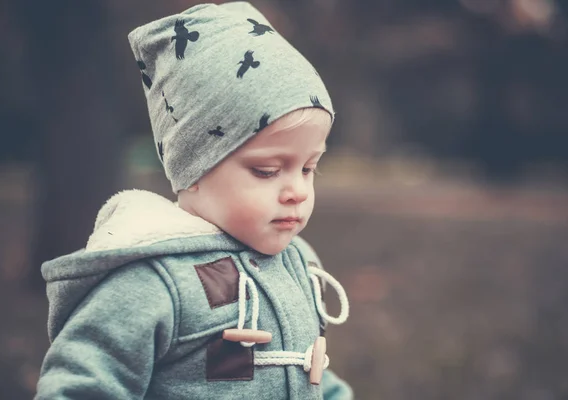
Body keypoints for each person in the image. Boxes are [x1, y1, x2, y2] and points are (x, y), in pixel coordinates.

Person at [35, 2, 352, 399]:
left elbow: (312, 370)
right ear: (194, 168)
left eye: (309, 168)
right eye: (267, 171)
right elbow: (83, 387)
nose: (298, 191)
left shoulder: (300, 263)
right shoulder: (152, 281)